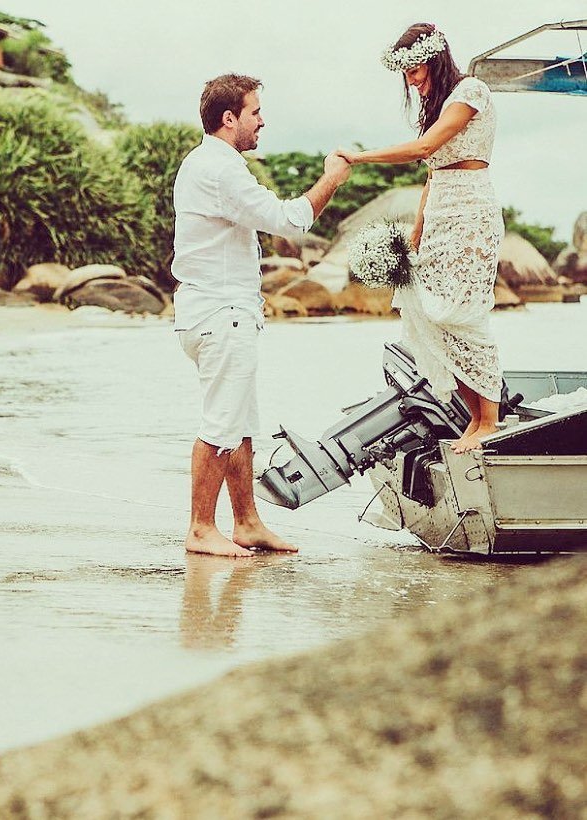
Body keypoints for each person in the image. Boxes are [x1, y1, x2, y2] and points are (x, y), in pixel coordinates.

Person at [172, 73, 351, 558]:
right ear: (229, 119)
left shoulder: (204, 162)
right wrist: (332, 177)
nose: (262, 120)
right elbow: (289, 222)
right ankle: (200, 528)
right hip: (220, 313)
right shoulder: (220, 168)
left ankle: (247, 522)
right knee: (221, 423)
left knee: (242, 421)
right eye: (255, 112)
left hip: (213, 312)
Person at [337, 23, 504, 454]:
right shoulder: (436, 103)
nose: (411, 79)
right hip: (440, 212)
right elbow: (432, 174)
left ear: (436, 58)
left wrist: (357, 157)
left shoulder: (471, 92)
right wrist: (416, 232)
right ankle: (474, 419)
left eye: (416, 68)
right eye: (406, 72)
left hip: (471, 212)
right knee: (429, 313)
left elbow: (423, 150)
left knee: (460, 313)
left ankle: (490, 419)